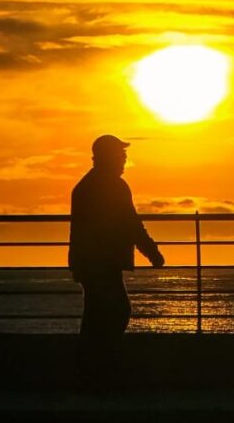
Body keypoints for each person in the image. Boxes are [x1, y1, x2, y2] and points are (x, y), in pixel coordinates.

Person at [69, 134, 165, 350]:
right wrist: (152, 252)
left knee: (96, 314)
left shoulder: (86, 185)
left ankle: (93, 357)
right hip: (103, 261)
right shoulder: (113, 185)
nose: (124, 159)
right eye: (121, 154)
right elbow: (132, 223)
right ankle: (100, 356)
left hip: (90, 262)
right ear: (110, 157)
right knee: (117, 310)